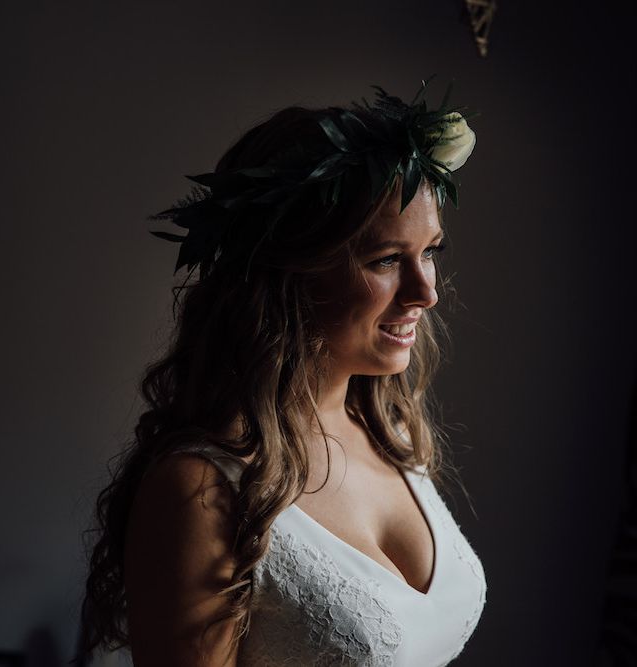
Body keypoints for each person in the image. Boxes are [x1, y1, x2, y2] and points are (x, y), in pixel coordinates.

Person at [81, 81, 487, 666]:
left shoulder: (389, 432)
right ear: (287, 275)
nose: (426, 292)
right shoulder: (204, 492)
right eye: (386, 260)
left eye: (430, 253)